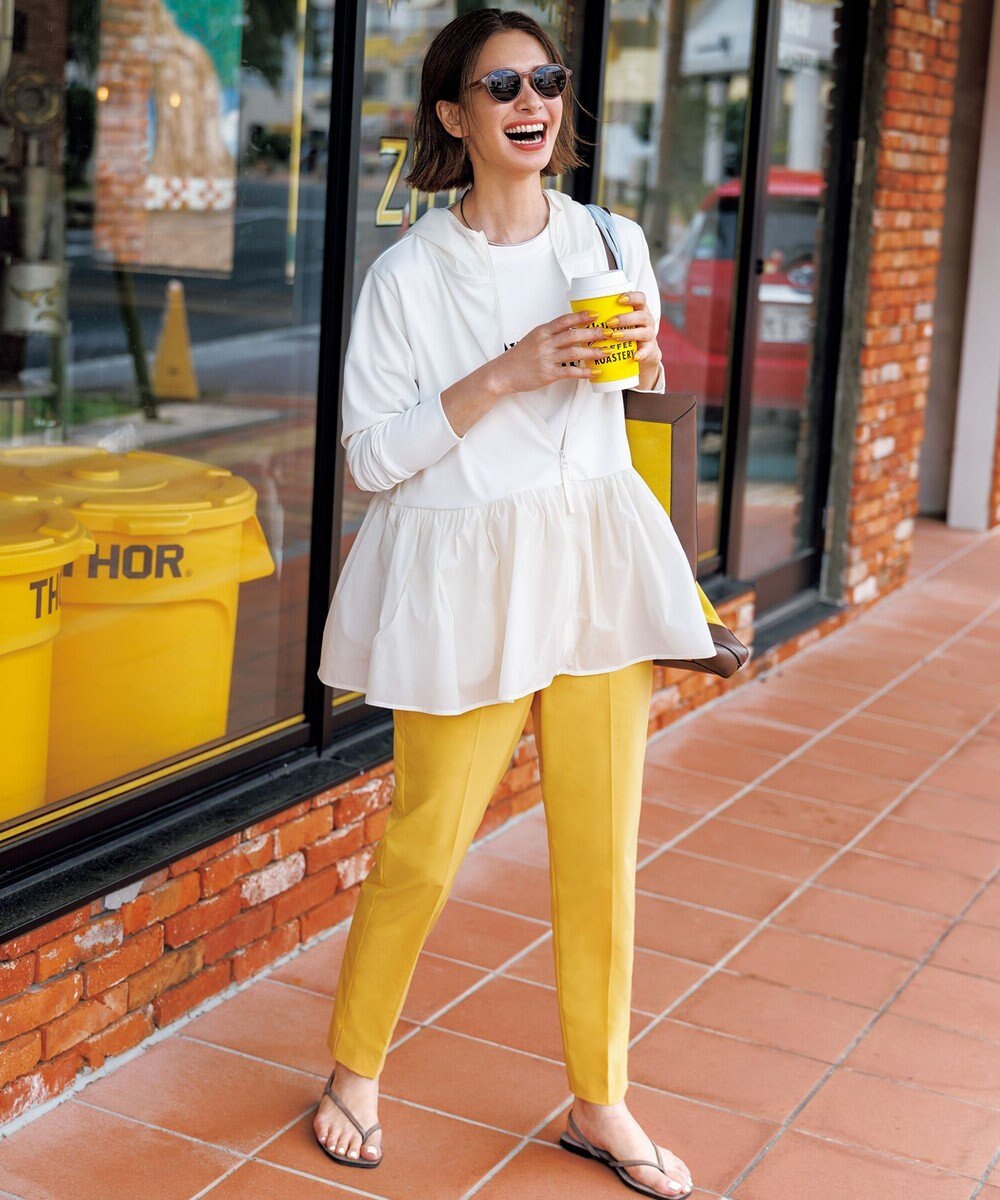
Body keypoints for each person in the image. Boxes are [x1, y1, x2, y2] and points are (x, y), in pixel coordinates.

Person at [313, 9, 712, 1197]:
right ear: (454, 114)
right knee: (425, 844)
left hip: (590, 563)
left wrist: (643, 357)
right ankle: (352, 1071)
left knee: (601, 851)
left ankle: (600, 1098)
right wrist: (506, 372)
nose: (532, 100)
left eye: (547, 78)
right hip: (464, 581)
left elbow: (635, 390)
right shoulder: (406, 275)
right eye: (502, 86)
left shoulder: (611, 239)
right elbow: (369, 459)